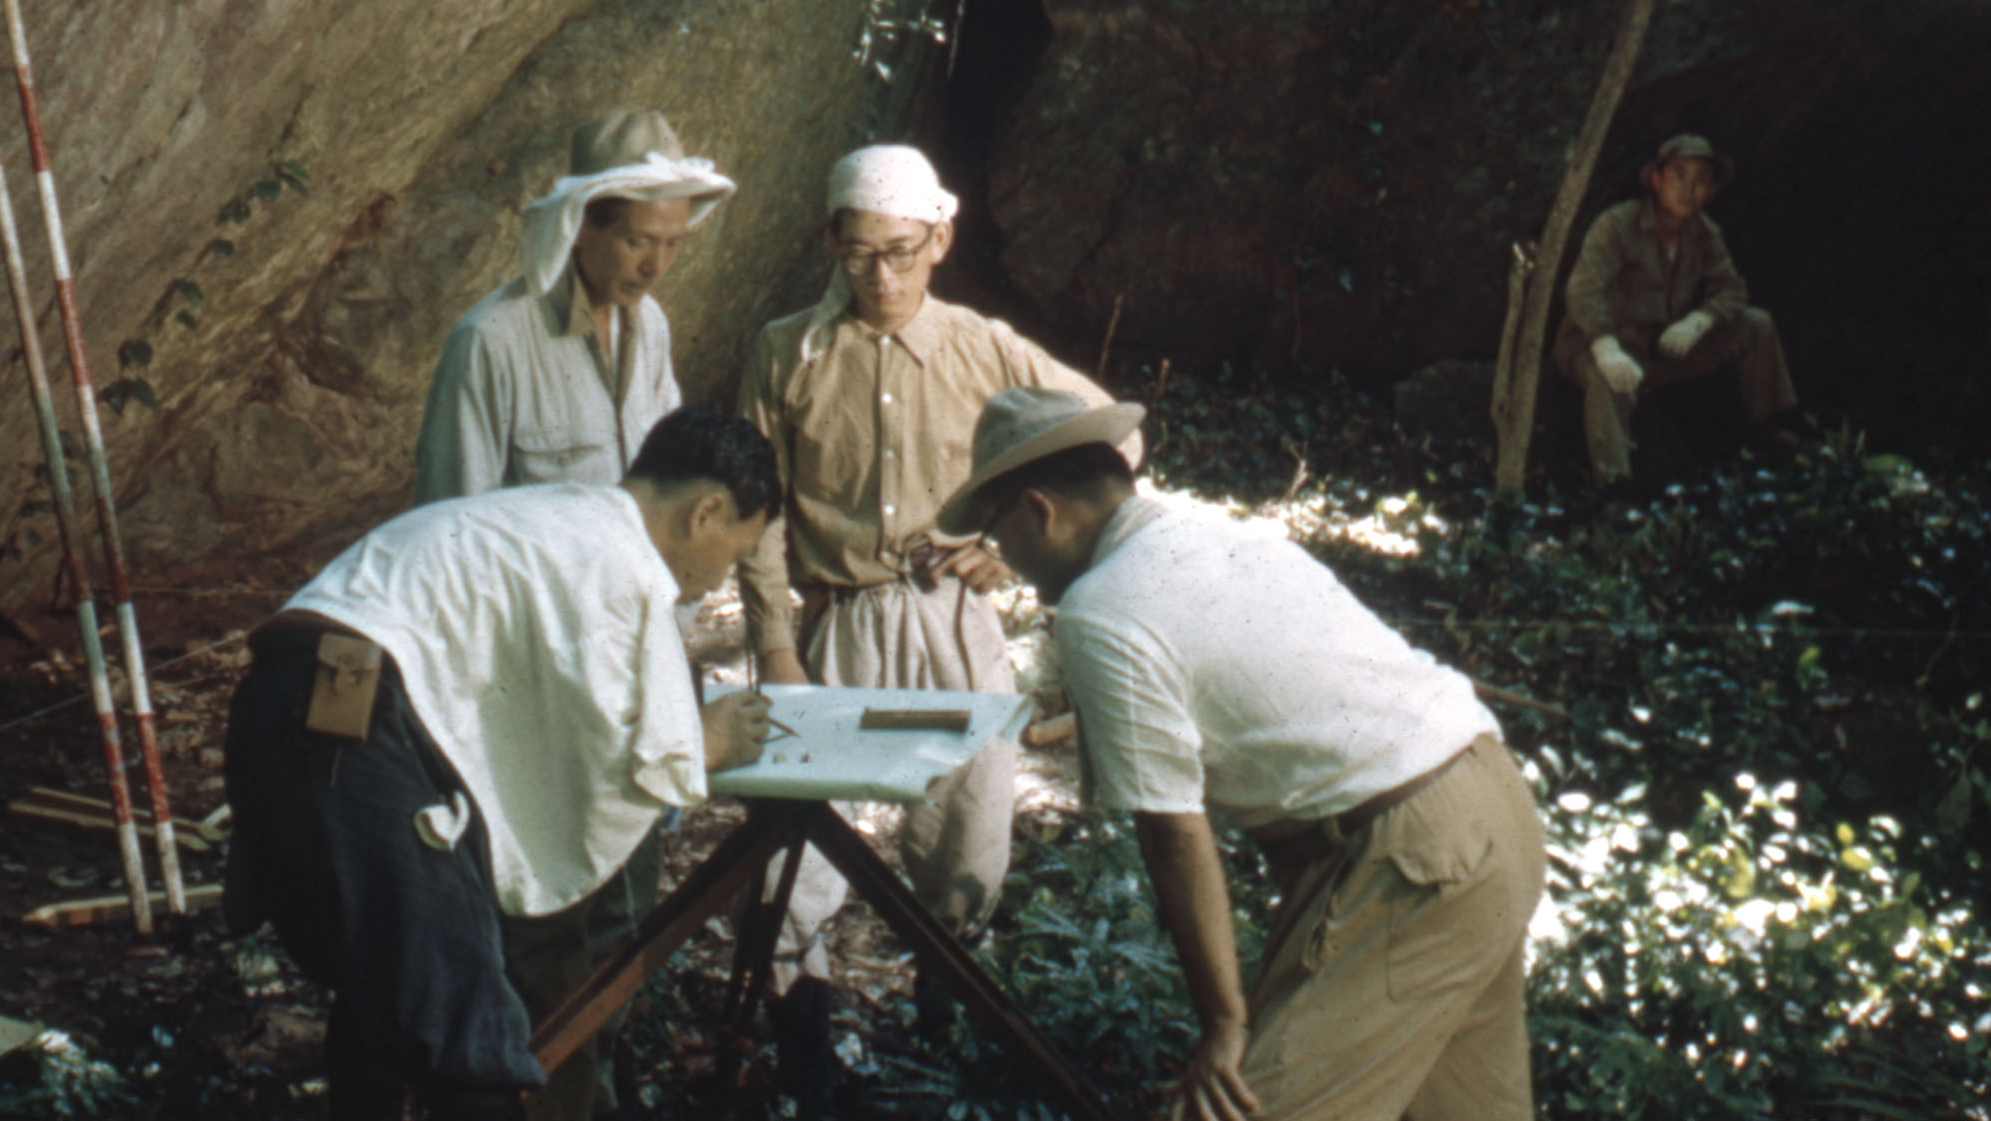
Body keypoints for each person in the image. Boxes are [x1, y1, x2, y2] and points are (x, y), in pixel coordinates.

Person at [943, 387, 1544, 1121]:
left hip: (1411, 859)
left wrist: (1224, 1022)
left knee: (1236, 1108)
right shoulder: (1209, 530)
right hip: (1491, 805)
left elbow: (1170, 829)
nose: (999, 554)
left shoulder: (1101, 607)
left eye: (994, 527)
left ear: (1040, 508)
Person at [224, 405, 782, 1121]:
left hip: (281, 706)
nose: (716, 580)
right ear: (706, 510)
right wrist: (704, 742)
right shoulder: (618, 558)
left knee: (385, 987)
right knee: (465, 1022)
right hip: (349, 714)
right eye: (734, 554)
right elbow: (615, 751)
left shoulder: (554, 517)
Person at [733, 144, 1136, 1088]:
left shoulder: (983, 345)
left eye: (903, 251)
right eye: (860, 253)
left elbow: (1113, 431)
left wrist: (1009, 541)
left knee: (969, 845)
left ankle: (942, 1041)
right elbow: (754, 512)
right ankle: (807, 1060)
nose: (881, 275)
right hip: (834, 620)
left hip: (954, 620)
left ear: (940, 238)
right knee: (783, 852)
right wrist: (775, 644)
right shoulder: (787, 349)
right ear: (832, 241)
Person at [413, 109, 736, 504]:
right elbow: (451, 517)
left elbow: (668, 477)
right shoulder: (491, 340)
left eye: (672, 244)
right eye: (636, 241)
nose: (656, 267)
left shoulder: (650, 323)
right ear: (578, 226)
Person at [1551, 133, 1798, 482]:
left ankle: (1769, 430)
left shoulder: (1704, 233)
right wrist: (1605, 346)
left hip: (1660, 352)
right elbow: (1582, 288)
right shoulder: (1618, 225)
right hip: (1606, 347)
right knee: (1604, 379)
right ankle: (1615, 482)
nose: (1689, 188)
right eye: (1678, 175)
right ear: (1656, 180)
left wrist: (1699, 321)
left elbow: (1732, 288)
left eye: (1701, 181)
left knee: (1756, 324)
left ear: (1711, 192)